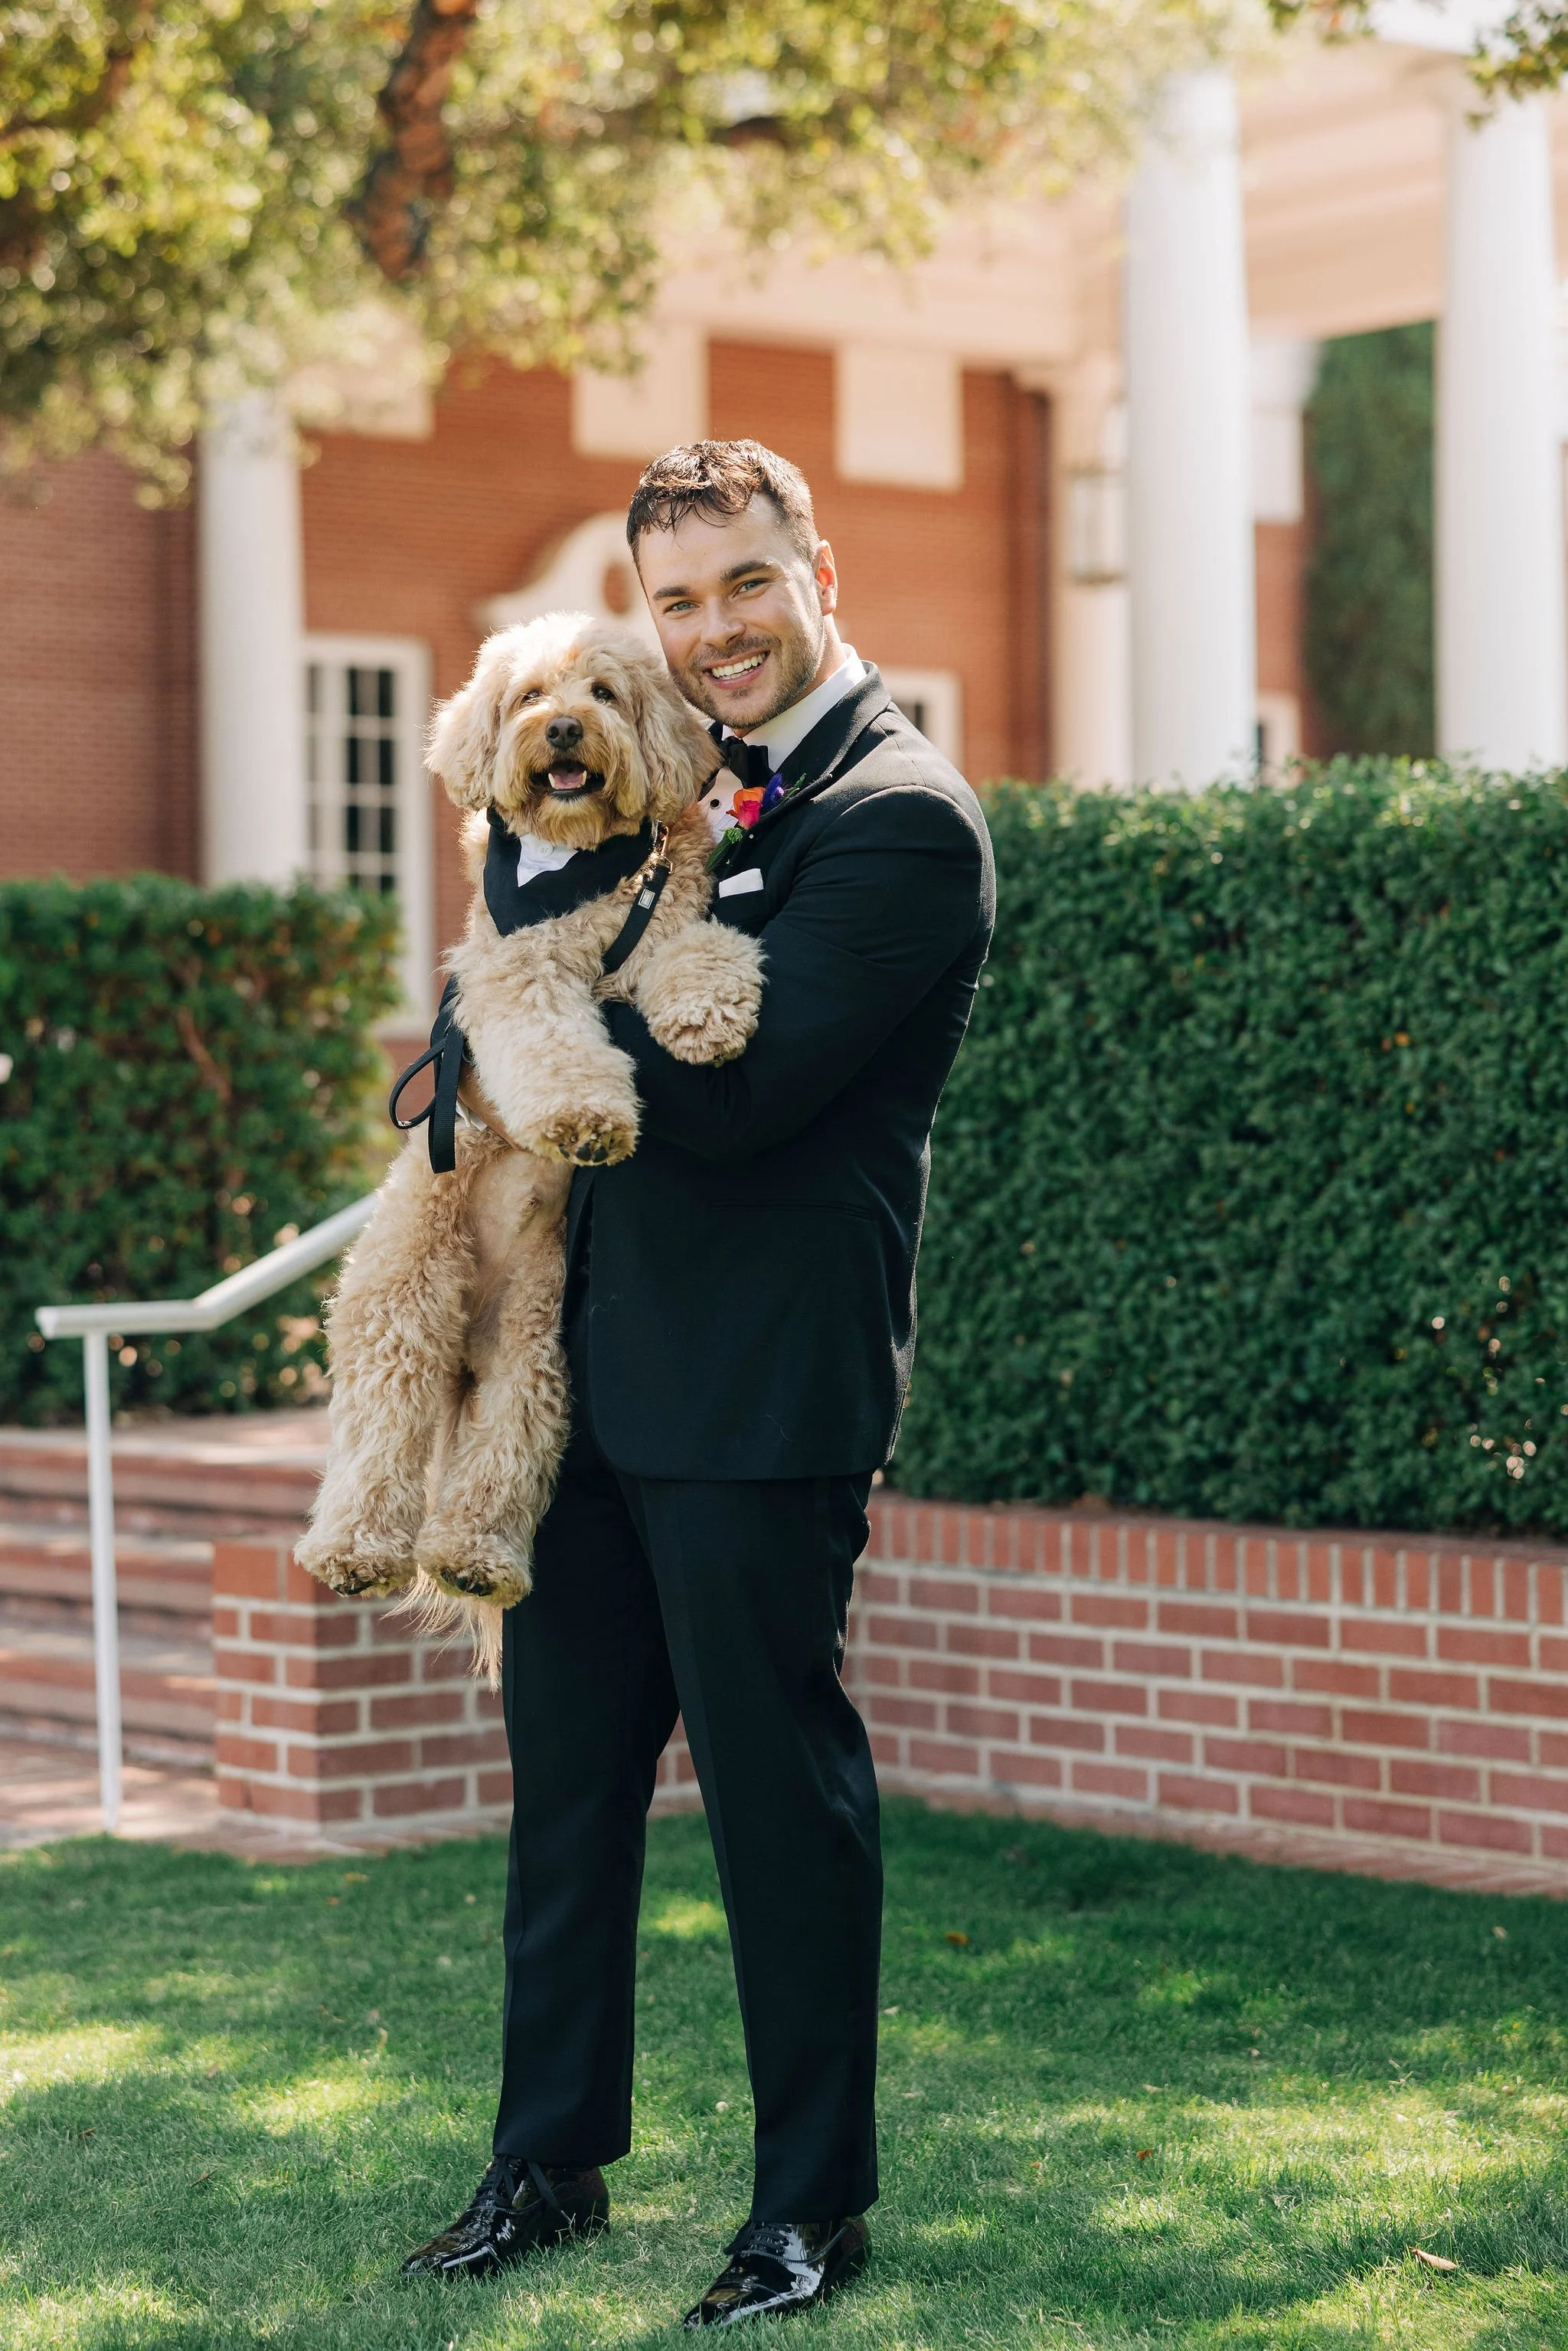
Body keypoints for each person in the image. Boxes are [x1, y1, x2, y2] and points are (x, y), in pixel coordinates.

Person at [401, 439, 996, 2328]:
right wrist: (504, 1018)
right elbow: (473, 1004)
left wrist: (528, 1021)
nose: (714, 630)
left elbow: (733, 1099)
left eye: (745, 584)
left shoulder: (900, 817)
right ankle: (543, 2160)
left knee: (771, 1802)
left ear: (815, 567)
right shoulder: (665, 787)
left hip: (758, 1394)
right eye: (677, 600)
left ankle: (810, 2203)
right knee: (562, 1799)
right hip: (575, 1380)